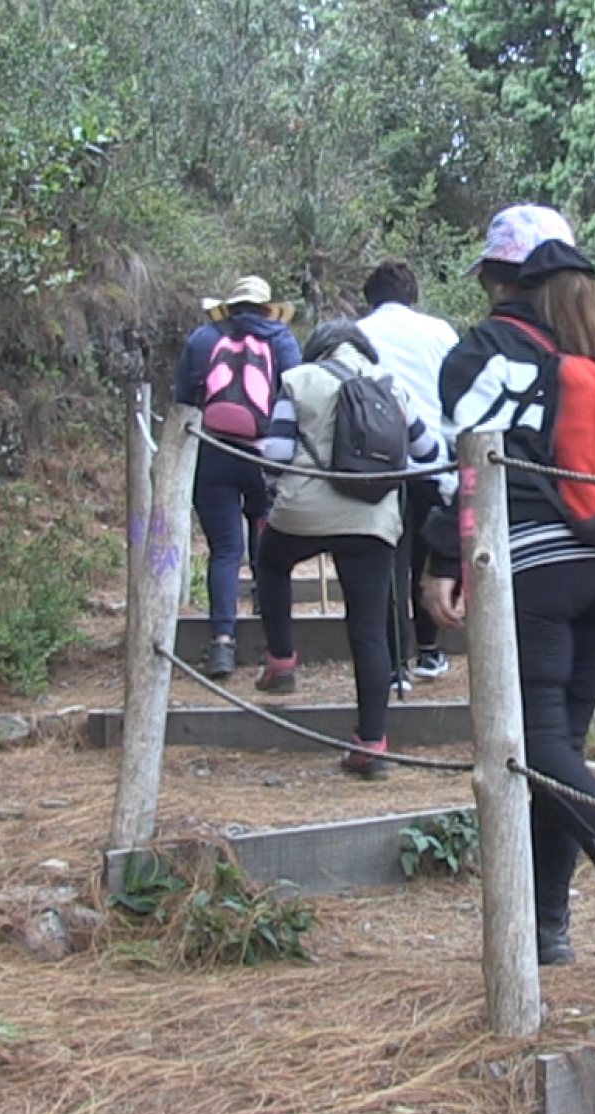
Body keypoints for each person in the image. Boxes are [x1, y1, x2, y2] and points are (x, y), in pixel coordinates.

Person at [421, 204, 595, 979]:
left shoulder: (488, 348)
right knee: (560, 744)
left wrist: (442, 557)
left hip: (537, 559)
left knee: (533, 742)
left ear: (498, 277)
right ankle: (548, 929)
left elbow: (465, 460)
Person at [253, 320, 440, 780]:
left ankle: (281, 658)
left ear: (317, 349)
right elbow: (427, 449)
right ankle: (371, 744)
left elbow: (276, 454)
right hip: (372, 520)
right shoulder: (390, 385)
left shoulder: (297, 380)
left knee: (271, 561)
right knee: (369, 629)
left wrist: (278, 490)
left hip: (303, 510)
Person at [172, 276, 301, 679]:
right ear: (267, 308)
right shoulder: (280, 339)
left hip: (214, 452)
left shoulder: (203, 338)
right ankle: (269, 623)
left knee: (226, 549)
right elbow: (296, 393)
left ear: (229, 306)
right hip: (264, 456)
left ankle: (222, 644)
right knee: (267, 540)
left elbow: (183, 398)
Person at [359, 260, 460, 684]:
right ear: (413, 295)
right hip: (435, 461)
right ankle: (430, 652)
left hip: (378, 466)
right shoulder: (440, 332)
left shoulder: (358, 335)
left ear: (370, 297)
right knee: (427, 558)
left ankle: (395, 664)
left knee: (388, 563)